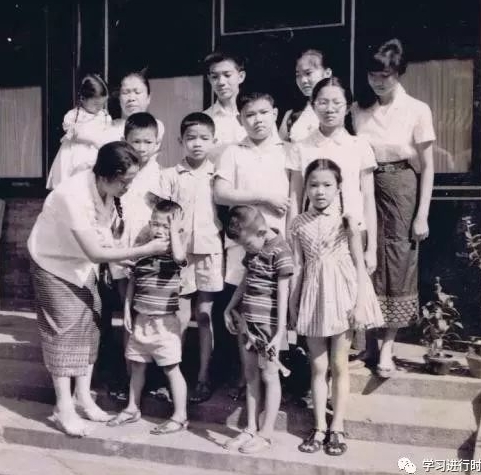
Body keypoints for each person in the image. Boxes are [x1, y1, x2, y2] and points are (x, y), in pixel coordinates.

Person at [28, 141, 169, 437]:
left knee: (90, 325)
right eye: (125, 181)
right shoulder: (71, 195)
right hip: (52, 264)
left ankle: (82, 397)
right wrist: (144, 250)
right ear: (106, 175)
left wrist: (122, 255)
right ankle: (63, 408)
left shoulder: (106, 191)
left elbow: (102, 240)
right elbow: (95, 252)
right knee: (63, 332)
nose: (128, 187)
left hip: (80, 266)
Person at [351, 38, 435, 377]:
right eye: (372, 75)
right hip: (365, 187)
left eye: (385, 75)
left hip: (402, 189)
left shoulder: (417, 109)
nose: (378, 82)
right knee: (367, 260)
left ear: (398, 73)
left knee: (398, 265)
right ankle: (369, 345)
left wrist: (422, 213)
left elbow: (428, 166)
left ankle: (387, 348)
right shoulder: (359, 109)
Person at [289, 159, 383, 456]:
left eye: (327, 185)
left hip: (342, 296)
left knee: (339, 364)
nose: (320, 191)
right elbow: (298, 267)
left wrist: (359, 303)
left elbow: (359, 265)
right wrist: (293, 304)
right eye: (314, 185)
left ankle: (337, 426)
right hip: (313, 297)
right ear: (306, 188)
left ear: (339, 187)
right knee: (318, 366)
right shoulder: (298, 223)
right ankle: (319, 426)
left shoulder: (348, 221)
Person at [214, 92, 291, 398]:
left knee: (274, 303)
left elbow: (295, 196)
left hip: (277, 242)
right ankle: (246, 376)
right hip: (243, 244)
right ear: (240, 119)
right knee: (244, 303)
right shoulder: (233, 152)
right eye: (250, 114)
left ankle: (274, 372)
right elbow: (221, 194)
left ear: (275, 113)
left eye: (263, 112)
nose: (257, 120)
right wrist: (262, 197)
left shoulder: (287, 151)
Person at [157, 112, 223, 404]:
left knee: (205, 315)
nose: (197, 143)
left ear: (213, 141)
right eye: (191, 138)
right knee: (181, 317)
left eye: (204, 138)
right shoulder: (170, 175)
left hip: (210, 251)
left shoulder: (218, 175)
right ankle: (175, 378)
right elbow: (162, 216)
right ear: (180, 141)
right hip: (180, 255)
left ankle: (204, 377)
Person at [107, 199, 189, 435]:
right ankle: (132, 408)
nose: (159, 229)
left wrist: (175, 233)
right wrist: (127, 309)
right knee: (137, 366)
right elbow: (133, 281)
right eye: (155, 224)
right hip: (142, 320)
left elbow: (180, 257)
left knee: (171, 368)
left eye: (166, 225)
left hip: (165, 324)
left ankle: (180, 416)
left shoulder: (173, 252)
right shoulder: (143, 251)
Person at [100, 112, 163, 400]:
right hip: (121, 249)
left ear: (157, 143)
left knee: (148, 314)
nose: (141, 147)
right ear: (125, 141)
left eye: (148, 142)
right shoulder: (118, 173)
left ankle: (151, 377)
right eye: (135, 141)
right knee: (128, 313)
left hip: (150, 253)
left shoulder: (161, 175)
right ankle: (129, 378)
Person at [223, 205, 293, 454]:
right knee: (250, 374)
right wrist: (229, 308)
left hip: (269, 327)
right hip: (247, 322)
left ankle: (266, 433)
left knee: (270, 376)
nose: (247, 249)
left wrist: (279, 333)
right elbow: (245, 280)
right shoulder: (254, 249)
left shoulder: (281, 251)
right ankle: (251, 427)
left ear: (262, 231)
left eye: (248, 244)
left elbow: (284, 294)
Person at [46, 74, 111, 189]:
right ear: (83, 99)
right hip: (76, 151)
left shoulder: (103, 116)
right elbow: (74, 133)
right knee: (73, 180)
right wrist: (90, 139)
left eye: (102, 104)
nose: (99, 108)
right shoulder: (74, 116)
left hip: (95, 150)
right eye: (96, 104)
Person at [279, 49, 332, 143]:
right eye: (298, 75)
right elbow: (280, 148)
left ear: (327, 73)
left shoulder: (342, 111)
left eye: (308, 73)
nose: (303, 80)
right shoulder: (291, 115)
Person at [203, 51, 247, 161]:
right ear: (209, 79)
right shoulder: (205, 120)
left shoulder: (259, 115)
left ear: (241, 76)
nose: (221, 82)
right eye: (214, 77)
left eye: (227, 75)